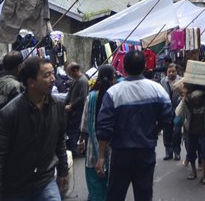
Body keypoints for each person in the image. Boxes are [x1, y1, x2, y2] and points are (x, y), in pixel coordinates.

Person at [0, 57, 70, 201]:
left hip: (45, 182)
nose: (53, 79)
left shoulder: (58, 106)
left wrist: (63, 170)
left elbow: (60, 141)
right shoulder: (9, 114)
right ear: (31, 82)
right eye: (46, 75)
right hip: (15, 188)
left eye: (53, 73)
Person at [96, 50, 174, 201]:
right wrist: (154, 131)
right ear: (145, 66)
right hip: (146, 152)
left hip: (120, 154)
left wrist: (100, 156)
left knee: (115, 195)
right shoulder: (158, 90)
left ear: (123, 67)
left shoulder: (113, 93)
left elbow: (104, 127)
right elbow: (167, 118)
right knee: (144, 195)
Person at [80, 65, 118, 201]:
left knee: (95, 184)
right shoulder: (115, 96)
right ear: (113, 78)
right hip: (113, 147)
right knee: (112, 184)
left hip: (93, 148)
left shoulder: (91, 97)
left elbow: (84, 124)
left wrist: (81, 140)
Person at [178, 82, 205, 184]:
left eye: (199, 98)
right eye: (195, 98)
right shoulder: (187, 100)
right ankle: (193, 171)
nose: (197, 100)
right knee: (191, 152)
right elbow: (178, 113)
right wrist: (183, 99)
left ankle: (203, 174)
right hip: (191, 130)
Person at [159, 64, 183, 161]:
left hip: (178, 110)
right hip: (167, 110)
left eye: (173, 71)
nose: (171, 73)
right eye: (169, 72)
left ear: (176, 72)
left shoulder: (181, 81)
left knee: (177, 132)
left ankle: (177, 152)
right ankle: (168, 152)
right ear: (167, 72)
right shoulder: (163, 81)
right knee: (167, 132)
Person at [64, 62, 89, 154]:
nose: (69, 75)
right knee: (71, 129)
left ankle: (74, 150)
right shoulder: (75, 79)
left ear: (75, 71)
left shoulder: (83, 81)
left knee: (75, 130)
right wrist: (64, 103)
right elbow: (70, 93)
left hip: (79, 110)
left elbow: (83, 97)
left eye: (70, 72)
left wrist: (72, 105)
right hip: (73, 109)